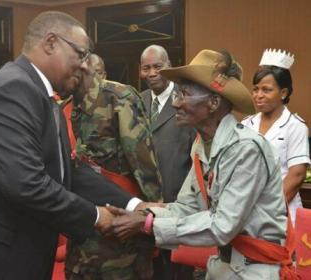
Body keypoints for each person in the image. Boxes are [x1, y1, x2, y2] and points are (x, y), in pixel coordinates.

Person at [0, 11, 138, 280]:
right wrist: (95, 216)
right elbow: (26, 184)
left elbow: (69, 172)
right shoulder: (11, 89)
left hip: (13, 253)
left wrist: (135, 204)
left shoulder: (40, 94)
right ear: (51, 42)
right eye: (80, 54)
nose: (86, 66)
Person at [107, 49, 298, 280]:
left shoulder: (246, 149)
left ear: (213, 102)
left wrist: (147, 224)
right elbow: (187, 207)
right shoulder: (202, 146)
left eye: (184, 94)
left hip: (255, 270)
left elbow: (222, 226)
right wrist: (144, 211)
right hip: (225, 266)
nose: (176, 103)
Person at [63, 54, 163, 279]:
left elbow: (144, 166)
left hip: (121, 236)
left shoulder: (118, 97)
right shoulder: (63, 106)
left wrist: (151, 221)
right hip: (81, 229)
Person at [139, 45, 196, 279]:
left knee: (176, 272)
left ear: (169, 66)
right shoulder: (135, 101)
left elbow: (196, 158)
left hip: (178, 208)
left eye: (157, 67)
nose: (152, 73)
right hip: (144, 207)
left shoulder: (186, 100)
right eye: (146, 68)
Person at [242, 49, 310, 223]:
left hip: (280, 213)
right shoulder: (246, 124)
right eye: (256, 89)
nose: (258, 95)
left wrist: (268, 210)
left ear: (284, 93)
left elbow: (296, 175)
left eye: (267, 90)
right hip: (245, 211)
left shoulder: (295, 126)